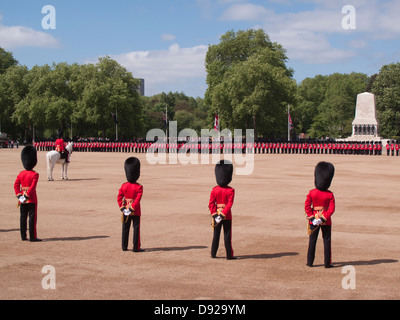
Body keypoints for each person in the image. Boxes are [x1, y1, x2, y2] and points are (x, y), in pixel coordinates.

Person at [305, 162, 335, 268]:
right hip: (326, 220)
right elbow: (331, 209)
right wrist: (323, 218)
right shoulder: (330, 194)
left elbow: (307, 207)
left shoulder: (312, 193)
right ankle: (327, 263)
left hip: (313, 218)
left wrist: (313, 218)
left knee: (312, 241)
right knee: (327, 241)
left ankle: (310, 261)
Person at [209, 160, 236, 260]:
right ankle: (229, 255)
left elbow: (211, 204)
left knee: (216, 235)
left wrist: (215, 215)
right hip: (227, 216)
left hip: (216, 216)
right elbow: (229, 204)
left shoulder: (214, 190)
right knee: (227, 236)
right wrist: (223, 214)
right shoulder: (230, 190)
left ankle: (213, 253)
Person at [14, 146, 42, 242]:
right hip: (31, 198)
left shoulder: (21, 173)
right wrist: (26, 196)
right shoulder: (35, 174)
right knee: (32, 218)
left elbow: (16, 186)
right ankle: (32, 237)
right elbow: (32, 187)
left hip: (22, 198)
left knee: (22, 217)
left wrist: (20, 196)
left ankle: (23, 236)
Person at [117, 157, 144, 252]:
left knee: (125, 229)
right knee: (136, 229)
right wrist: (131, 208)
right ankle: (136, 247)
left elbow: (119, 198)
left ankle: (124, 246)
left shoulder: (123, 186)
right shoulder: (139, 187)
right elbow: (137, 200)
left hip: (125, 211)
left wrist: (123, 208)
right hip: (135, 211)